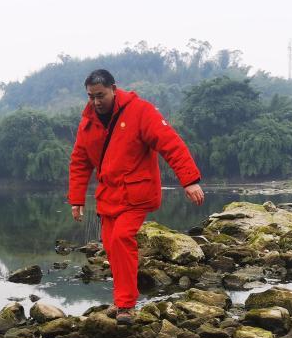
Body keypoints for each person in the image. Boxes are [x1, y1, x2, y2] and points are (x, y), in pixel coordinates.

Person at [67, 69, 204, 325]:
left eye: (100, 95)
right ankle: (121, 300)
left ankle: (126, 306)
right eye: (90, 97)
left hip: (137, 194)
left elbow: (170, 143)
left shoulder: (140, 111)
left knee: (121, 239)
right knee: (111, 247)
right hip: (109, 196)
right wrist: (76, 199)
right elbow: (80, 162)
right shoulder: (88, 123)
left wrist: (190, 180)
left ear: (114, 89)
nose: (96, 102)